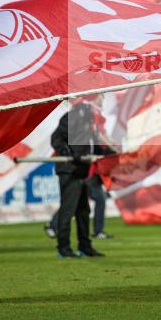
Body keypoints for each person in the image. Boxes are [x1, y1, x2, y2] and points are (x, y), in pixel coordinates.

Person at [49, 101, 115, 258]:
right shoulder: (73, 117)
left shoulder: (88, 121)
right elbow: (56, 139)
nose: (101, 102)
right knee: (68, 210)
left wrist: (108, 153)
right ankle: (63, 249)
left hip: (81, 170)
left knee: (83, 211)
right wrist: (70, 154)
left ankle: (85, 247)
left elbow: (91, 147)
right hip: (70, 170)